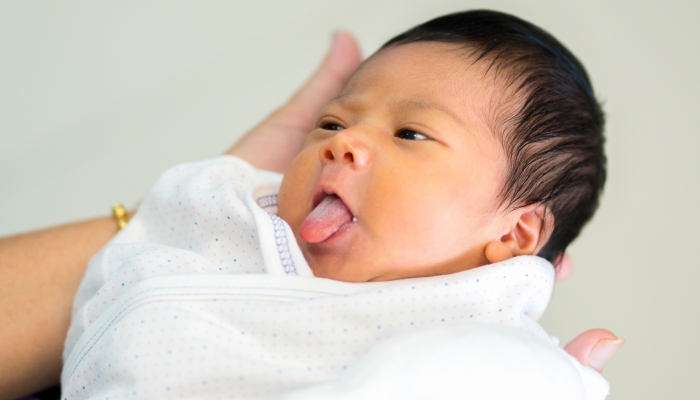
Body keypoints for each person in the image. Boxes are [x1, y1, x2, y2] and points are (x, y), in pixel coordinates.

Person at [0, 13, 621, 400]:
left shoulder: (487, 349)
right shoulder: (237, 221)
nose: (342, 143)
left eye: (410, 134)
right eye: (330, 122)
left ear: (516, 234)